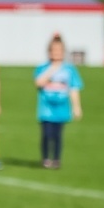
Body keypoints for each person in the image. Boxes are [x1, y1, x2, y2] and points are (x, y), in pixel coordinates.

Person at [34, 34, 82, 169]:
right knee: (46, 134)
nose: (56, 53)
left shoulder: (69, 69)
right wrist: (52, 69)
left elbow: (73, 88)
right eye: (54, 50)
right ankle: (45, 158)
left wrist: (76, 107)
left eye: (59, 50)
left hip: (62, 107)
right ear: (49, 52)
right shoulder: (43, 68)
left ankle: (56, 159)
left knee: (57, 135)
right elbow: (38, 83)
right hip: (46, 108)